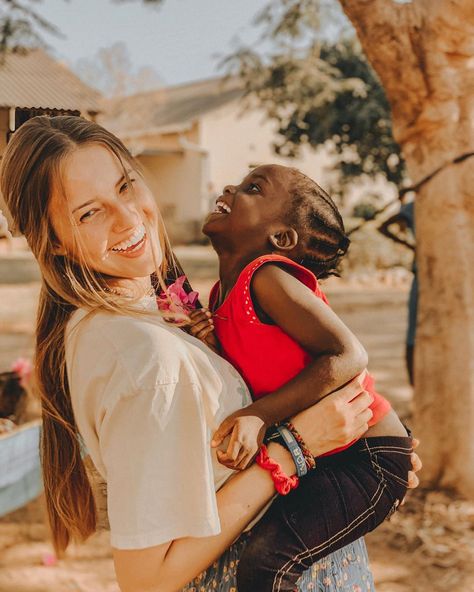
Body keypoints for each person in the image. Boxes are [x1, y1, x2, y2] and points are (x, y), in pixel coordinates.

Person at [0, 116, 421, 592]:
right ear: (51, 239)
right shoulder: (145, 358)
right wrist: (298, 446)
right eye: (88, 213)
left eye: (124, 185)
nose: (128, 217)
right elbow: (146, 578)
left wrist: (360, 456)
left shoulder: (153, 315)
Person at [189, 164, 413, 590]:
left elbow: (348, 354)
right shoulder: (222, 295)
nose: (230, 187)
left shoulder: (268, 276)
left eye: (253, 188)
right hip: (329, 451)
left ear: (283, 239)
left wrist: (259, 414)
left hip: (368, 459)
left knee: (266, 567)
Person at [378, 198, 417, 385]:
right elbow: (384, 226)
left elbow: (384, 227)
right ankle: (414, 386)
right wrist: (415, 247)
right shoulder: (417, 205)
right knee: (413, 332)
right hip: (424, 273)